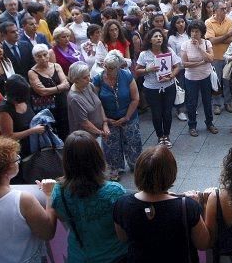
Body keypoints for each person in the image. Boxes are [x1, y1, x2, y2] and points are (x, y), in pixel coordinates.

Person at [113, 146, 211, 263]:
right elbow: (203, 243)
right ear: (171, 173)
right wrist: (201, 205)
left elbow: (122, 238)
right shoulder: (187, 207)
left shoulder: (122, 205)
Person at [50, 131, 129, 263]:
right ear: (97, 157)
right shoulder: (114, 192)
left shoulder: (59, 193)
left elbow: (62, 219)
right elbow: (123, 231)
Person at [94, 50, 142, 180]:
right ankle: (114, 168)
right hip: (108, 119)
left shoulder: (126, 75)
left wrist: (126, 117)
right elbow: (97, 102)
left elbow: (135, 98)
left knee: (133, 142)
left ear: (119, 66)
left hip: (128, 116)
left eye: (112, 68)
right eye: (106, 67)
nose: (108, 70)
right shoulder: (98, 79)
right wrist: (105, 120)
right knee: (111, 146)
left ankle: (136, 164)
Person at [137, 28, 181, 147]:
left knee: (167, 112)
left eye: (160, 36)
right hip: (151, 88)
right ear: (150, 40)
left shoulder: (169, 50)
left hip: (168, 86)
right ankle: (159, 136)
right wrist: (148, 69)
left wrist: (171, 75)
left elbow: (177, 66)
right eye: (155, 36)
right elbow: (137, 71)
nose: (158, 38)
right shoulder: (144, 54)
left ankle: (166, 135)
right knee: (156, 113)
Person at [0, 75, 45, 179]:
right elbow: (8, 136)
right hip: (18, 152)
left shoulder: (24, 100)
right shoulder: (4, 109)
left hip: (33, 147)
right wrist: (32, 131)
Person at [180, 21, 218, 137]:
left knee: (207, 101)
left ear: (202, 32)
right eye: (192, 31)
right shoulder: (185, 45)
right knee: (192, 103)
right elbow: (185, 64)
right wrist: (201, 62)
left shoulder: (207, 43)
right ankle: (192, 126)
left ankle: (209, 123)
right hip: (191, 78)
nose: (194, 34)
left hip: (205, 76)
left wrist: (199, 48)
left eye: (197, 31)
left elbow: (211, 58)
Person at [28, 44, 70, 140]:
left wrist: (51, 90)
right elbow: (42, 92)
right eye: (39, 56)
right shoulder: (32, 72)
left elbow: (66, 84)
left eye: (45, 54)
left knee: (65, 130)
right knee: (51, 133)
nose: (43, 58)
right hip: (46, 108)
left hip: (62, 104)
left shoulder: (56, 66)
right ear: (34, 58)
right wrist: (59, 88)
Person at [67, 62, 108, 139]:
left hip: (98, 131)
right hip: (86, 138)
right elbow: (84, 123)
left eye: (89, 75)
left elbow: (99, 104)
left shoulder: (89, 85)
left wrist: (105, 123)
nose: (89, 79)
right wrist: (101, 133)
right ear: (76, 80)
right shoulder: (74, 98)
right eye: (85, 78)